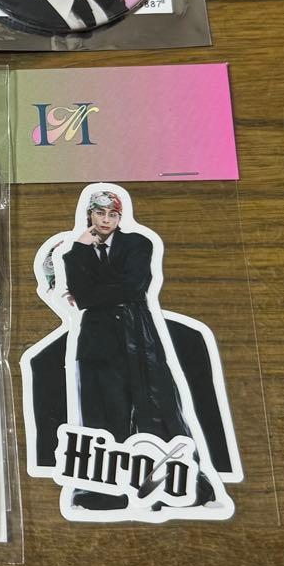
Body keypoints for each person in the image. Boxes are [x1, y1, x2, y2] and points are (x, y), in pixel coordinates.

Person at [62, 189, 216, 510]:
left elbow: (130, 288)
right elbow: (82, 292)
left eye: (112, 214)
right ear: (90, 214)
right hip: (97, 340)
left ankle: (176, 485)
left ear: (120, 217)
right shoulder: (80, 249)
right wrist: (80, 251)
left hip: (135, 336)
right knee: (102, 412)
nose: (106, 220)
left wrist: (91, 290)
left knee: (156, 408)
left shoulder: (137, 243)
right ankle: (107, 491)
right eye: (100, 213)